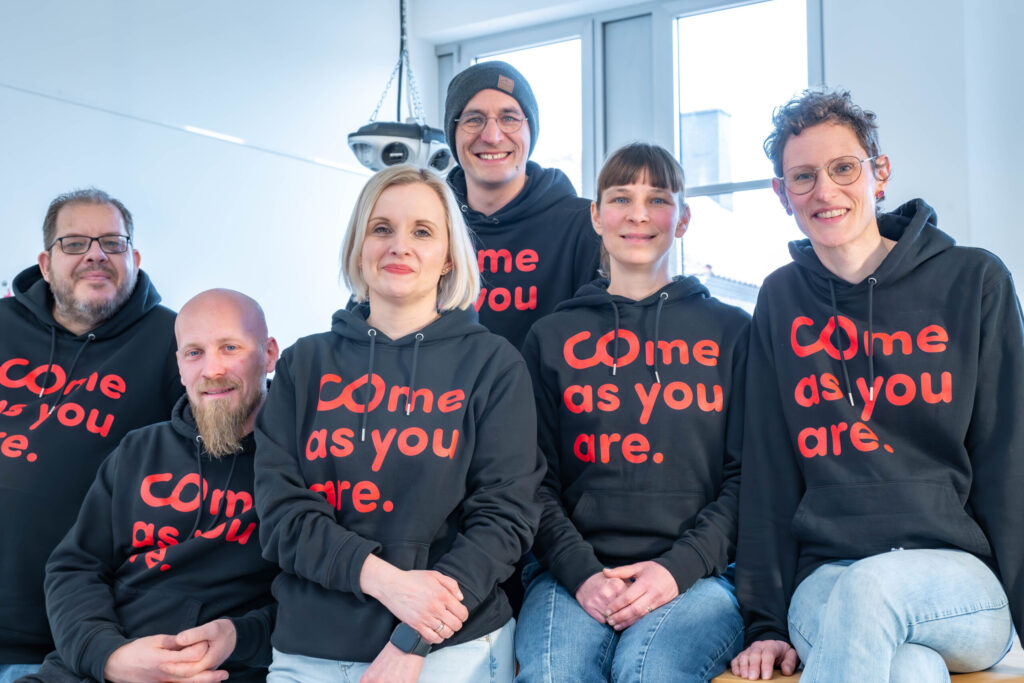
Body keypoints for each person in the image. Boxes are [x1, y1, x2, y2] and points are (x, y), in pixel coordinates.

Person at [730, 89, 1022, 682]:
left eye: (843, 168)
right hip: (828, 581)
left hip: (958, 580)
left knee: (874, 589)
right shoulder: (781, 299)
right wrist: (764, 622)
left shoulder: (974, 280)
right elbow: (768, 467)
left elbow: (1008, 457)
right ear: (782, 196)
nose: (825, 191)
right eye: (803, 177)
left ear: (879, 174)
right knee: (909, 670)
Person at [254, 165, 544, 683]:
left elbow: (503, 521)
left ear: (449, 255)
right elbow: (283, 518)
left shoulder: (494, 365)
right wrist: (387, 582)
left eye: (423, 231)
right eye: (382, 228)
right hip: (311, 649)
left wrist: (414, 637)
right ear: (358, 247)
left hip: (454, 650)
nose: (399, 246)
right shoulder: (303, 365)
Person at [515, 143, 749, 682]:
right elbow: (531, 483)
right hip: (569, 574)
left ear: (683, 219)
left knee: (650, 671)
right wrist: (581, 574)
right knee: (552, 674)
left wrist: (676, 571)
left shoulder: (732, 332)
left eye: (658, 199)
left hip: (697, 577)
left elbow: (747, 479)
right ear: (596, 216)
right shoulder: (550, 338)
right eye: (621, 198)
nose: (639, 214)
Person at [23, 289, 280, 683]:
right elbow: (74, 566)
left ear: (269, 354)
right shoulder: (139, 449)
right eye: (194, 353)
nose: (212, 369)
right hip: (90, 669)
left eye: (230, 347)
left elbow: (315, 598)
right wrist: (110, 656)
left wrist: (240, 637)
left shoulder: (300, 460)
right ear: (179, 366)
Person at [0, 189, 181, 682]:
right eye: (75, 242)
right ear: (46, 262)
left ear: (134, 258)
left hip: (83, 644)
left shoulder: (175, 342)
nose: (96, 255)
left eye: (112, 243)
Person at [444, 60, 601, 349]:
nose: (491, 136)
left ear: (531, 131)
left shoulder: (585, 225)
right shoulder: (427, 225)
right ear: (453, 134)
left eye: (509, 118)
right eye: (474, 119)